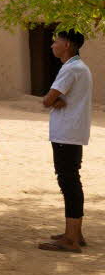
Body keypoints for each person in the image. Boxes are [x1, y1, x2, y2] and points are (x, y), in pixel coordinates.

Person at [40, 30, 92, 253]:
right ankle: (75, 232)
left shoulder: (70, 68)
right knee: (71, 180)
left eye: (56, 41)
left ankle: (70, 238)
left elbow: (48, 100)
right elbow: (56, 100)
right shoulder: (79, 67)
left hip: (66, 133)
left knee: (68, 181)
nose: (52, 45)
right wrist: (57, 100)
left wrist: (54, 100)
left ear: (68, 44)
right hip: (73, 131)